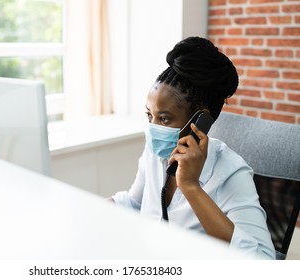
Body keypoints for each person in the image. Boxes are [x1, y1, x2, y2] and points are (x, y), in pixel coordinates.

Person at [110, 37, 275, 260]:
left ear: (200, 121)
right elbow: (135, 203)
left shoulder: (231, 172)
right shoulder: (156, 153)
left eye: (165, 119)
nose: (153, 128)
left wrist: (190, 186)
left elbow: (264, 262)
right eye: (150, 115)